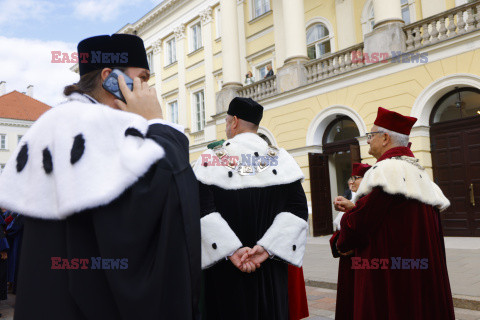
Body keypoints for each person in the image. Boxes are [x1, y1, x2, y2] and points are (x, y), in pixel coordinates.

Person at [0, 34, 201, 320]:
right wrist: (159, 126)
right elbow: (160, 196)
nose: (149, 89)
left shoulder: (65, 122)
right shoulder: (92, 128)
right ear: (111, 77)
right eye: (142, 77)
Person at [333, 107, 454, 320]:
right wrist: (356, 208)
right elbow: (391, 217)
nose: (368, 141)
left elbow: (358, 229)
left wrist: (340, 238)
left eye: (371, 136)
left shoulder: (384, 172)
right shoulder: (420, 173)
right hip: (417, 271)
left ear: (386, 138)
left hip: (391, 276)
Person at [194, 97, 308, 320]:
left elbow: (200, 210)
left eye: (226, 122)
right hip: (269, 269)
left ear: (234, 121)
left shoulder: (209, 159)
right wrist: (266, 249)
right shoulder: (280, 159)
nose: (226, 128)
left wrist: (232, 250)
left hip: (224, 272)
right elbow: (297, 211)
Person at [329, 163, 371, 320]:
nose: (351, 182)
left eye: (356, 178)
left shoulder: (370, 198)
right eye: (351, 178)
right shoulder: (353, 196)